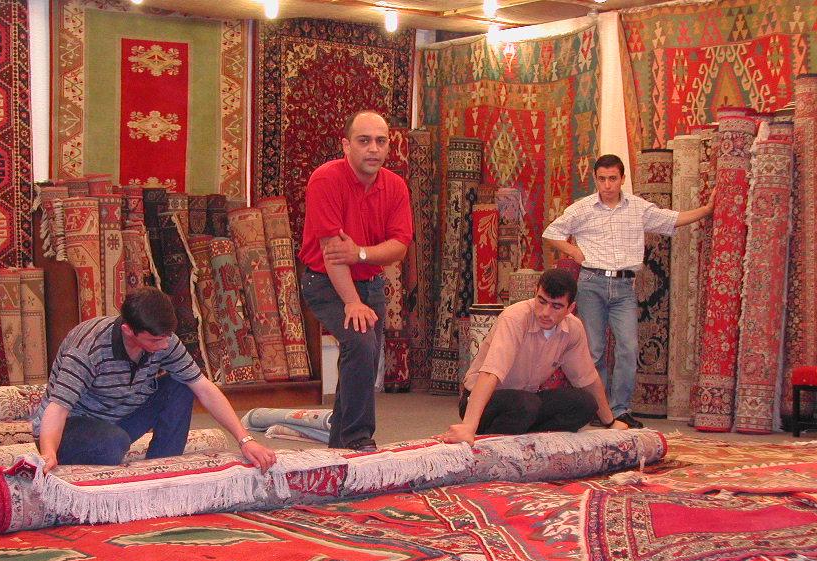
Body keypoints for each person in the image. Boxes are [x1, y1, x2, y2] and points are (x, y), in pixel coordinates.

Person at [542, 154, 715, 428]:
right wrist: (572, 250)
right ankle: (599, 411)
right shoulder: (582, 208)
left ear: (622, 179)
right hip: (592, 282)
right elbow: (551, 232)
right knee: (595, 350)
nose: (607, 185)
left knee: (627, 347)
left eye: (613, 178)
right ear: (596, 179)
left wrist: (706, 210)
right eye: (602, 179)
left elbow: (672, 219)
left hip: (624, 286)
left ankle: (620, 409)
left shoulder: (637, 208)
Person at [32, 286, 276, 473]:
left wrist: (246, 440)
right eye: (154, 341)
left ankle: (161, 467)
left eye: (167, 337)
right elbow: (58, 408)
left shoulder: (164, 341)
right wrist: (48, 453)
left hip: (120, 420)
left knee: (181, 386)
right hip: (73, 427)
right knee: (111, 445)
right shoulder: (88, 348)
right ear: (128, 330)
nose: (164, 346)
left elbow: (204, 388)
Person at [298, 110, 414, 451]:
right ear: (346, 145)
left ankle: (339, 446)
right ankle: (358, 440)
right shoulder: (325, 179)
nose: (373, 149)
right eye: (364, 141)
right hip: (324, 282)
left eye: (380, 141)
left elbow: (399, 247)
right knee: (361, 345)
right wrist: (352, 301)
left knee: (366, 357)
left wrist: (361, 254)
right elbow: (334, 256)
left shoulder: (395, 186)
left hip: (370, 282)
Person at [438, 268, 629, 445]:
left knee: (585, 404)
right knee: (526, 406)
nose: (545, 312)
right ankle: (492, 441)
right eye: (542, 301)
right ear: (535, 293)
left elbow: (588, 379)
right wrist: (468, 427)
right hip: (484, 402)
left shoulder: (573, 328)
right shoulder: (515, 317)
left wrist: (610, 422)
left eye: (556, 306)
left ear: (570, 309)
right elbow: (490, 373)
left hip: (526, 402)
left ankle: (527, 438)